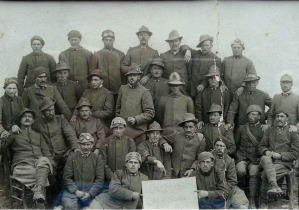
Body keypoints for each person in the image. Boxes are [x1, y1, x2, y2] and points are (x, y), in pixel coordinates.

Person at [0, 108, 53, 208]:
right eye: (24, 116)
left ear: (33, 121)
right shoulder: (13, 134)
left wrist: (50, 164)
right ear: (20, 120)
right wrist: (9, 133)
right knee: (42, 177)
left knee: (44, 160)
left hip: (38, 165)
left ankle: (38, 194)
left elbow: (47, 153)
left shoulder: (38, 135)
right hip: (22, 166)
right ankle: (39, 201)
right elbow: (2, 149)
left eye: (30, 117)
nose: (27, 118)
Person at [33, 97, 80, 197]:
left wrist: (76, 147)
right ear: (42, 112)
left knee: (72, 169)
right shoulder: (36, 124)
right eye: (48, 111)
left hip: (64, 153)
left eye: (52, 109)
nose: (51, 113)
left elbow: (70, 134)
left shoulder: (60, 119)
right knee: (51, 178)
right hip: (49, 155)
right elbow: (36, 142)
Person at [258, 109, 299, 207]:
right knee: (265, 158)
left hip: (284, 163)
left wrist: (280, 155)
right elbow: (261, 146)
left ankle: (264, 203)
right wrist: (266, 151)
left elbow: (295, 154)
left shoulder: (292, 132)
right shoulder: (270, 130)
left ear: (287, 118)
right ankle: (275, 187)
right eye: (277, 116)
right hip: (269, 160)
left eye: (282, 116)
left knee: (265, 175)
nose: (279, 119)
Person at [62, 133, 104, 209]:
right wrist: (76, 191)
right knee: (69, 205)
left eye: (88, 144)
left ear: (92, 145)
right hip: (74, 192)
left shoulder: (97, 158)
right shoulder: (72, 157)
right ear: (79, 145)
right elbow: (67, 178)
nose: (86, 147)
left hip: (92, 192)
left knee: (95, 208)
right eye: (83, 144)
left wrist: (90, 193)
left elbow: (100, 179)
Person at [115, 63, 155, 145]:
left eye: (134, 75)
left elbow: (150, 113)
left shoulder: (144, 92)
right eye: (130, 75)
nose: (132, 77)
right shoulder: (123, 89)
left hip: (139, 132)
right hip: (124, 131)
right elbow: (118, 108)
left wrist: (136, 119)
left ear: (139, 76)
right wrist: (119, 123)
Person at [234, 105, 264, 207]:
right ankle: (241, 194)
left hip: (255, 159)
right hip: (242, 157)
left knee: (254, 172)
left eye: (254, 114)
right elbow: (236, 144)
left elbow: (265, 145)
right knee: (241, 171)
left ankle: (252, 198)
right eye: (249, 114)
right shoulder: (242, 128)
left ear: (259, 116)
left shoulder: (263, 129)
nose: (251, 116)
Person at [160, 113, 206, 178]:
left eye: (191, 127)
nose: (188, 130)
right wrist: (165, 144)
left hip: (189, 173)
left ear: (195, 128)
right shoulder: (176, 135)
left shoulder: (200, 139)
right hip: (174, 172)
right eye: (186, 127)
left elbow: (199, 158)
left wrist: (192, 169)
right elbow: (161, 139)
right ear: (183, 127)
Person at [0, 77, 24, 191]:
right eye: (9, 88)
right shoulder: (0, 101)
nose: (12, 91)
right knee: (6, 153)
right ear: (5, 88)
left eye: (14, 88)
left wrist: (19, 126)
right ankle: (6, 185)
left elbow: (23, 116)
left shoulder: (20, 100)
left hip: (18, 131)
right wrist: (4, 131)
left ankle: (20, 182)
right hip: (4, 134)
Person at [212, 140, 249, 209]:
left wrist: (223, 189)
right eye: (217, 145)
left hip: (224, 188)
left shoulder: (229, 161)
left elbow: (232, 181)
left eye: (222, 146)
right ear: (214, 146)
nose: (219, 148)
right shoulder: (207, 157)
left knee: (241, 202)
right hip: (209, 186)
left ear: (226, 148)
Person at [89, 29, 125, 98]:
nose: (108, 42)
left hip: (117, 88)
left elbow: (123, 73)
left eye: (110, 40)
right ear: (103, 40)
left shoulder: (120, 54)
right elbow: (92, 72)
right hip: (102, 89)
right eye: (106, 40)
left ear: (113, 40)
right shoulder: (97, 55)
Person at [101, 117, 136, 182]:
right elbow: (104, 162)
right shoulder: (106, 141)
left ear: (124, 129)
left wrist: (125, 177)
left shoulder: (130, 141)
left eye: (120, 128)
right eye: (115, 128)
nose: (118, 130)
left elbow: (132, 160)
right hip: (110, 178)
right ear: (112, 129)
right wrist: (112, 177)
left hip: (127, 178)